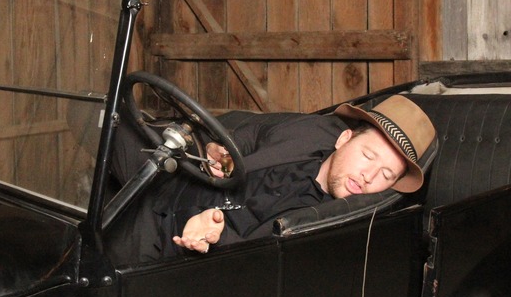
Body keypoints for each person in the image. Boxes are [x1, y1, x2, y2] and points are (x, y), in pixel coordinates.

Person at [109, 94, 437, 261]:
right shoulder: (311, 132)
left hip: (168, 238)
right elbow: (254, 131)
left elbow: (252, 261)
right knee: (109, 118)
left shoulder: (325, 223)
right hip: (176, 182)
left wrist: (212, 232)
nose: (368, 176)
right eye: (368, 156)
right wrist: (222, 149)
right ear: (344, 139)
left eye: (386, 174)